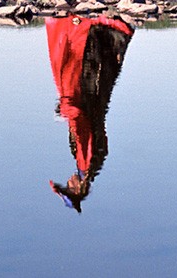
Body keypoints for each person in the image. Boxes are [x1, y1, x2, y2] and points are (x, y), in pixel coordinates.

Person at [45, 12, 134, 212]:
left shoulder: (92, 167)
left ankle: (100, 28)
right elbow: (83, 132)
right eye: (68, 186)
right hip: (85, 102)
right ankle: (90, 26)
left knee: (99, 71)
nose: (68, 181)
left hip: (93, 106)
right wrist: (68, 111)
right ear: (77, 189)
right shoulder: (86, 164)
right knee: (80, 64)